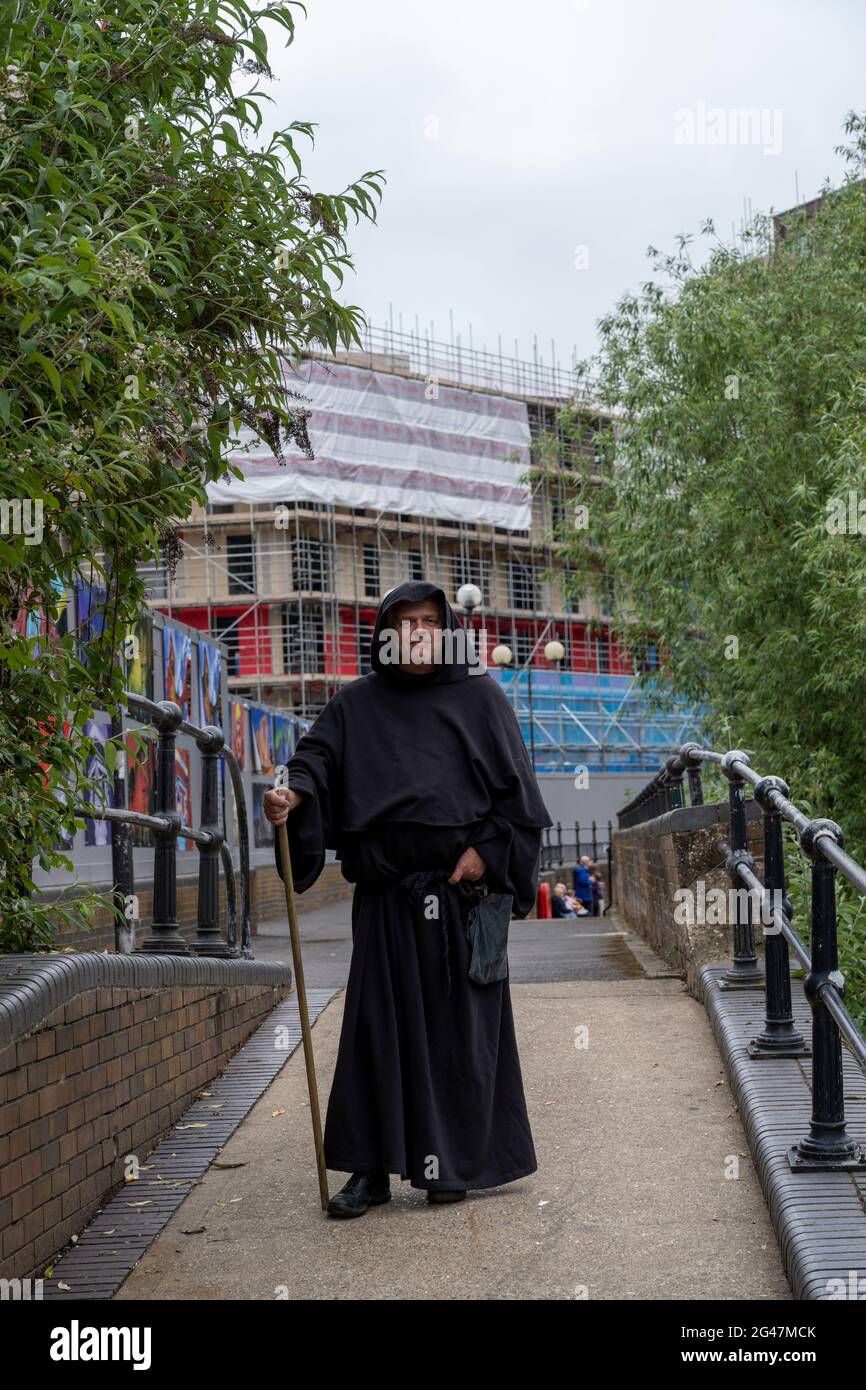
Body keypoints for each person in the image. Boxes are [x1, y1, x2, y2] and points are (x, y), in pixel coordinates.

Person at [263, 580, 552, 1218]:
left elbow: (523, 808)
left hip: (459, 902)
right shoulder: (355, 705)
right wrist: (292, 796)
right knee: (375, 1034)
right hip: (388, 902)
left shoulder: (481, 698)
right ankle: (370, 1173)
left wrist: (487, 851)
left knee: (458, 1039)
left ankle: (449, 1166)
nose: (416, 633)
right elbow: (312, 763)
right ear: (384, 634)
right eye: (403, 623)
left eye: (427, 621)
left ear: (445, 627)